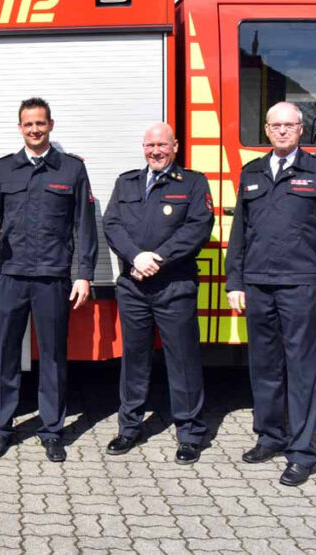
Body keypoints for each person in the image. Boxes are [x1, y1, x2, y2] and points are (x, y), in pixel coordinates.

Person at [0, 97, 97, 462]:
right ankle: (1, 429)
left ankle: (52, 431)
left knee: (53, 357)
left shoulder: (70, 170)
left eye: (41, 124)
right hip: (11, 274)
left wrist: (83, 275)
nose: (35, 130)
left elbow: (84, 228)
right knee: (6, 353)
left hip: (52, 277)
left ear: (51, 126)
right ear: (20, 128)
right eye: (28, 124)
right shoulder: (4, 169)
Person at [226, 101, 316, 486]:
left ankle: (300, 451)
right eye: (275, 125)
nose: (281, 131)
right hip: (259, 285)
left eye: (289, 125)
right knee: (263, 366)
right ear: (266, 129)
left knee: (302, 369)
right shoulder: (252, 173)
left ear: (300, 129)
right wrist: (235, 283)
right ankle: (270, 435)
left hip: (301, 285)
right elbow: (239, 235)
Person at [102, 122, 213, 464]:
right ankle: (129, 428)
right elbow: (112, 224)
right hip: (133, 287)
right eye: (150, 146)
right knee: (134, 360)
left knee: (182, 362)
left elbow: (198, 228)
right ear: (143, 147)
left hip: (174, 286)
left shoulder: (193, 183)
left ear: (175, 146)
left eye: (162, 145)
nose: (155, 151)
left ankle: (190, 434)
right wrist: (136, 256)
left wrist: (158, 259)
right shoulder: (127, 182)